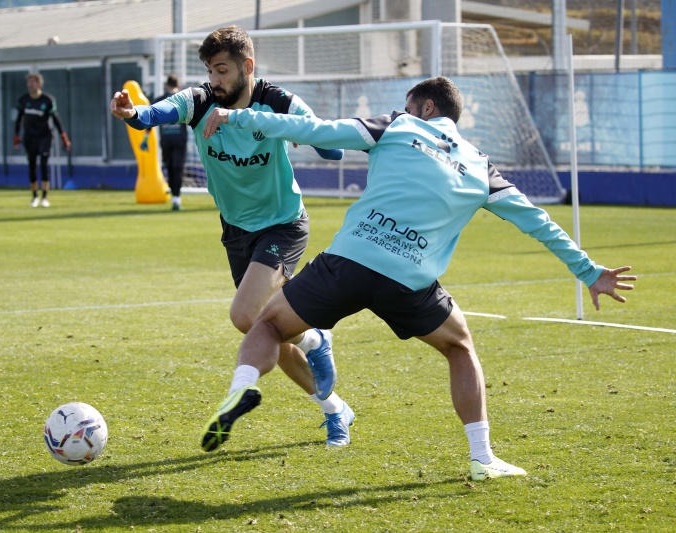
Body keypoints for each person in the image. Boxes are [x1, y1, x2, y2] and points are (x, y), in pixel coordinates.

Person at [198, 76, 636, 480]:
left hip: (349, 260)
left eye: (408, 106)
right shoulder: (480, 166)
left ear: (426, 107)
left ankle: (243, 386)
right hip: (409, 281)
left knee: (268, 325)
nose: (404, 111)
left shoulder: (395, 126)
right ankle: (482, 458)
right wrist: (588, 271)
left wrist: (238, 116)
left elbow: (315, 130)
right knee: (459, 346)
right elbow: (538, 222)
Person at [110, 26, 355, 447]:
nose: (214, 79)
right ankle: (334, 406)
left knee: (246, 317)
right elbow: (152, 115)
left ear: (248, 66)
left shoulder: (279, 102)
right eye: (210, 70)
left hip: (282, 225)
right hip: (237, 232)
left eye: (222, 70)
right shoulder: (199, 100)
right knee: (270, 331)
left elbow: (333, 149)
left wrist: (301, 130)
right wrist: (132, 113)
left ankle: (315, 340)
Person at [14, 73, 71, 207]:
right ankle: (34, 196)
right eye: (29, 82)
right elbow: (19, 119)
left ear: (39, 84)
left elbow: (55, 119)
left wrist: (64, 137)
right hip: (29, 137)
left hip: (44, 136)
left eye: (33, 82)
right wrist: (16, 136)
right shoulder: (23, 100)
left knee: (44, 164)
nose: (30, 85)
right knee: (32, 165)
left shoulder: (47, 100)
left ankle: (45, 197)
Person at [154, 74, 189, 211]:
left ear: (166, 85)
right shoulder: (184, 99)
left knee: (170, 168)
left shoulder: (160, 100)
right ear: (178, 85)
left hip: (166, 140)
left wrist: (145, 138)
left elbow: (150, 118)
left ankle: (175, 196)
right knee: (177, 168)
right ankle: (176, 198)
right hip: (179, 139)